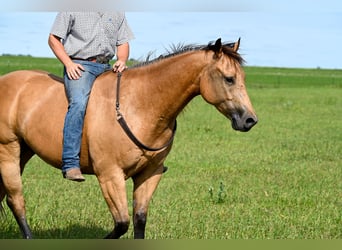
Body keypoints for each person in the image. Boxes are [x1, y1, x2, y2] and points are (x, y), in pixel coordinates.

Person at [48, 12, 134, 182]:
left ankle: (140, 159)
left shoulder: (117, 11)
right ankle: (70, 163)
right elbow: (53, 39)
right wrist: (69, 63)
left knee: (128, 101)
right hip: (80, 66)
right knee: (79, 104)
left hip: (107, 67)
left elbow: (123, 42)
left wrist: (122, 59)